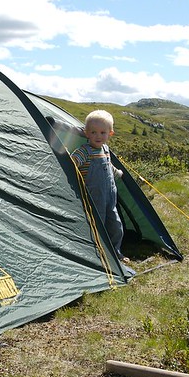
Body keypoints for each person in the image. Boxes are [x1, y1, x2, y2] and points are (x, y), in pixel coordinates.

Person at [70, 110, 129, 263]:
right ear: (86, 133)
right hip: (94, 197)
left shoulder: (105, 150)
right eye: (93, 132)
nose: (98, 136)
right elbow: (71, 163)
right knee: (97, 225)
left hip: (110, 196)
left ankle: (116, 251)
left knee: (115, 225)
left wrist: (118, 173)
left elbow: (108, 166)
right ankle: (97, 253)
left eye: (103, 132)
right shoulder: (84, 151)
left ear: (110, 134)